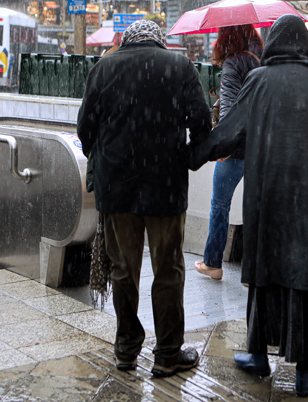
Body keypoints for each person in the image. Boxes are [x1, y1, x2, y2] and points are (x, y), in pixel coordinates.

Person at [191, 15, 308, 398]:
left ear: (273, 45)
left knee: (266, 272)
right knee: (305, 276)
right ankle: (303, 372)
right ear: (306, 45)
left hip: (267, 197)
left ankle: (258, 354)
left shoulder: (258, 81)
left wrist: (194, 154)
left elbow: (229, 131)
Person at [76, 20, 212, 377]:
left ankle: (126, 349)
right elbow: (201, 121)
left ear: (126, 41)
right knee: (168, 269)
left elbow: (85, 129)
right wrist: (185, 157)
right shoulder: (179, 66)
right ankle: (167, 353)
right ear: (158, 41)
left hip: (117, 189)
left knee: (124, 270)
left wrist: (107, 161)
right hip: (165, 186)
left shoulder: (104, 67)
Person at [194, 24, 263, 281]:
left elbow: (229, 111)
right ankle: (257, 268)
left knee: (220, 204)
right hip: (260, 147)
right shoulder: (262, 61)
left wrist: (223, 145)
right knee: (259, 206)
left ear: (226, 38)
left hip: (236, 150)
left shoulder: (234, 63)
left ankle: (213, 263)